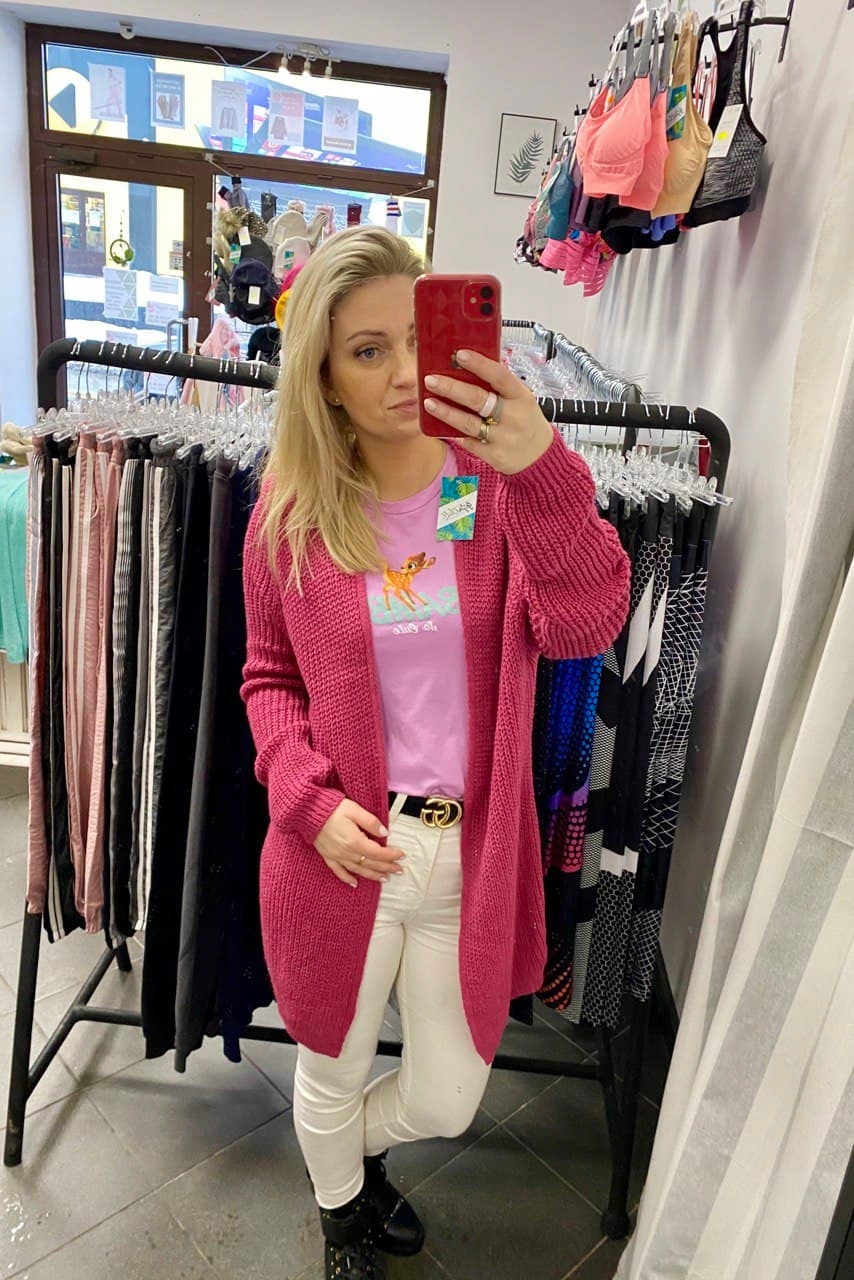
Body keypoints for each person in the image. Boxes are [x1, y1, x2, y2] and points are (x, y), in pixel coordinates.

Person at [241, 226, 631, 1279]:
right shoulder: (289, 513)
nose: (405, 370)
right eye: (367, 351)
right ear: (323, 377)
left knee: (449, 1098)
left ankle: (345, 1159)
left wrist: (543, 468)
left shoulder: (496, 485)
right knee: (330, 1070)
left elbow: (587, 621)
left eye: (415, 337)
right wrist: (307, 799)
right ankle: (342, 1219)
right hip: (344, 851)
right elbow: (268, 680)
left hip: (471, 856)